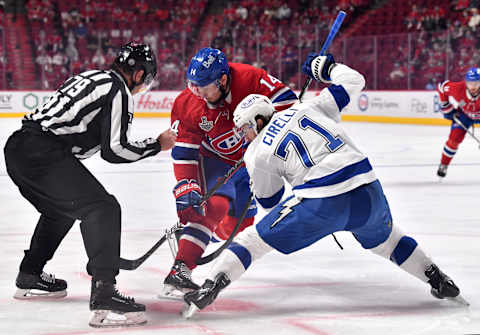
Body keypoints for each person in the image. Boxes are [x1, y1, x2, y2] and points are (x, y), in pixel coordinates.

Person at [182, 53, 466, 317]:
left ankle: (210, 286)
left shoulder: (255, 152)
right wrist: (324, 68)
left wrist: (261, 178)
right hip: (368, 190)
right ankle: (436, 276)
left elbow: (270, 203)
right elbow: (355, 80)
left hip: (322, 201)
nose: (244, 136)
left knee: (252, 241)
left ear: (258, 119)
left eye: (245, 128)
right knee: (388, 240)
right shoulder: (311, 105)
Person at [3, 42, 176, 328]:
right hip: (42, 152)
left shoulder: (92, 76)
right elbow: (115, 151)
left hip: (18, 148)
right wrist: (157, 144)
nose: (142, 86)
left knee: (61, 211)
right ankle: (105, 293)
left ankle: (30, 275)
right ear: (138, 74)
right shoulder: (118, 89)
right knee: (102, 208)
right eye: (145, 80)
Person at [165, 47, 297, 297]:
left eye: (204, 87)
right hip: (213, 160)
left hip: (248, 163)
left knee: (238, 229)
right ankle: (178, 272)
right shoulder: (187, 103)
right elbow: (184, 152)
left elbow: (289, 103)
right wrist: (187, 185)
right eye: (194, 86)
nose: (199, 93)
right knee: (214, 206)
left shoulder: (251, 79)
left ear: (223, 80)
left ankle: (196, 234)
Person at [437, 67, 480, 177]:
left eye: (476, 83)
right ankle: (444, 164)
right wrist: (447, 108)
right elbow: (442, 87)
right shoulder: (458, 88)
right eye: (470, 83)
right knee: (454, 139)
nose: (473, 87)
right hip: (465, 116)